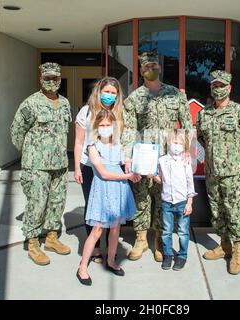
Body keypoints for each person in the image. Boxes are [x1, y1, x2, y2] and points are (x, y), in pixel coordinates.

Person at [122, 50, 193, 262]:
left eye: (153, 66)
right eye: (146, 67)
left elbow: (187, 123)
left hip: (170, 158)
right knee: (142, 198)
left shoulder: (175, 94)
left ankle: (160, 240)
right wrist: (127, 157)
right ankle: (141, 239)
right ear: (140, 70)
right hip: (143, 158)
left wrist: (188, 150)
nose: (150, 70)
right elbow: (128, 130)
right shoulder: (134, 98)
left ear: (159, 67)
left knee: (164, 199)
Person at [196, 70, 240, 275]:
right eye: (215, 86)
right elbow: (200, 137)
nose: (218, 89)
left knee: (234, 213)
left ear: (229, 88)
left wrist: (236, 153)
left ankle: (237, 252)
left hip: (232, 173)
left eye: (222, 86)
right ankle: (224, 245)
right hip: (212, 173)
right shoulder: (204, 113)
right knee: (217, 211)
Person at [10, 62, 72, 266]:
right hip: (36, 166)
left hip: (60, 164)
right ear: (41, 80)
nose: (51, 82)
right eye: (48, 78)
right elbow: (16, 132)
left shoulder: (64, 103)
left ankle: (52, 237)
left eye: (55, 78)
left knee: (57, 202)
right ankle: (33, 242)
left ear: (60, 80)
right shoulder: (31, 103)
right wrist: (31, 153)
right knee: (37, 204)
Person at [77, 110, 140, 286]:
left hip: (119, 190)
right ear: (96, 127)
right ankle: (82, 267)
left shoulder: (118, 145)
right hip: (104, 190)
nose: (105, 128)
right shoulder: (93, 146)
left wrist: (133, 168)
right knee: (97, 230)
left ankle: (111, 260)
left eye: (108, 125)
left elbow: (125, 163)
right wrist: (128, 177)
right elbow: (103, 173)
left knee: (115, 229)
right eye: (102, 125)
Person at [74, 77, 127, 264]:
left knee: (112, 207)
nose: (109, 96)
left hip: (113, 164)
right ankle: (95, 249)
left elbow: (124, 140)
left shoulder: (120, 112)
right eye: (107, 92)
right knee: (93, 205)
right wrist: (76, 169)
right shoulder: (86, 112)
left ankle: (110, 249)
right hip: (89, 166)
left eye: (113, 93)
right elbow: (79, 142)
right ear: (99, 91)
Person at [149, 129, 197, 271]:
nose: (176, 145)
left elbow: (190, 183)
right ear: (168, 143)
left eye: (180, 143)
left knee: (182, 231)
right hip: (167, 203)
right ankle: (168, 255)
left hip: (182, 202)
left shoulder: (185, 161)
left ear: (184, 145)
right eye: (174, 142)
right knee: (166, 231)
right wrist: (152, 176)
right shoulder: (162, 160)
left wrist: (189, 203)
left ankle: (182, 256)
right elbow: (161, 180)